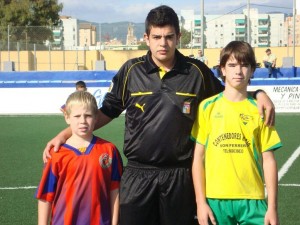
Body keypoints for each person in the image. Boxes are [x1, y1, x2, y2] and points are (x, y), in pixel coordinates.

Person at [43, 5, 275, 225]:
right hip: (137, 174)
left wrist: (259, 93)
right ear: (146, 38)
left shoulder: (196, 72)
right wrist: (64, 135)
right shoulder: (131, 70)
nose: (163, 43)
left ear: (178, 37)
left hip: (180, 177)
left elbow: (230, 93)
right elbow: (107, 111)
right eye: (156, 37)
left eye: (169, 37)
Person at [191, 41, 282, 225]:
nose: (238, 71)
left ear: (252, 70)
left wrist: (272, 207)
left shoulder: (260, 109)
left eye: (244, 65)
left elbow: (269, 160)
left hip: (253, 200)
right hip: (215, 200)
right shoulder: (207, 107)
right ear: (222, 69)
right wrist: (200, 203)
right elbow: (198, 159)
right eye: (232, 65)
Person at [36, 91, 123, 225]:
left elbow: (115, 190)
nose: (82, 121)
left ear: (96, 118)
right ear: (67, 117)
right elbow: (46, 196)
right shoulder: (56, 154)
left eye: (88, 116)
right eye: (77, 116)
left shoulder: (109, 150)